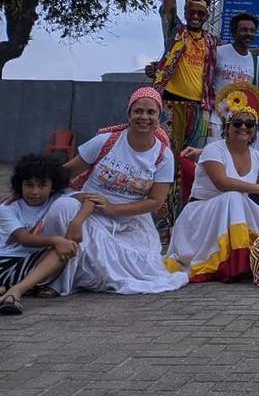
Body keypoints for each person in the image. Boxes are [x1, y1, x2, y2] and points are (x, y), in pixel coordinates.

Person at [43, 87, 189, 294]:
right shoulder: (106, 141)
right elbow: (65, 173)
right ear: (129, 114)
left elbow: (156, 201)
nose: (144, 117)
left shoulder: (163, 156)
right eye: (138, 111)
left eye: (151, 112)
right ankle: (55, 278)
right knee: (62, 207)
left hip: (130, 220)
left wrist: (113, 209)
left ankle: (74, 277)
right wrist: (24, 190)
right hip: (87, 210)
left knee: (114, 269)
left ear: (159, 117)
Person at [165, 83, 259, 282]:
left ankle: (255, 256)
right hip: (200, 217)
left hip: (233, 213)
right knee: (234, 197)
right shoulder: (213, 150)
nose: (243, 127)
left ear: (254, 129)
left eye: (249, 124)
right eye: (237, 123)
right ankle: (235, 261)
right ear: (227, 126)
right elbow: (222, 183)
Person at [0, 156, 91, 315]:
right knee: (61, 246)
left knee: (63, 251)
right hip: (5, 261)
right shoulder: (8, 208)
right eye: (29, 185)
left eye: (42, 186)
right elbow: (24, 239)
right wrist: (56, 240)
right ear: (20, 185)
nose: (35, 192)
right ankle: (15, 290)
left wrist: (77, 222)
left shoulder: (58, 198)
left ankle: (14, 290)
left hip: (33, 264)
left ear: (53, 187)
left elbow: (90, 200)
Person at [153, 0, 218, 153]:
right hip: (170, 103)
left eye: (201, 13)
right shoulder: (176, 33)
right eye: (192, 12)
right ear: (186, 13)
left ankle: (187, 189)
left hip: (201, 108)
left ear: (207, 16)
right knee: (166, 154)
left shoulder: (212, 42)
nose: (196, 16)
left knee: (192, 159)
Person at [209, 11, 259, 143]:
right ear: (234, 32)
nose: (248, 33)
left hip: (239, 121)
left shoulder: (254, 60)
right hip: (214, 117)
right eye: (243, 30)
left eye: (252, 30)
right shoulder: (218, 52)